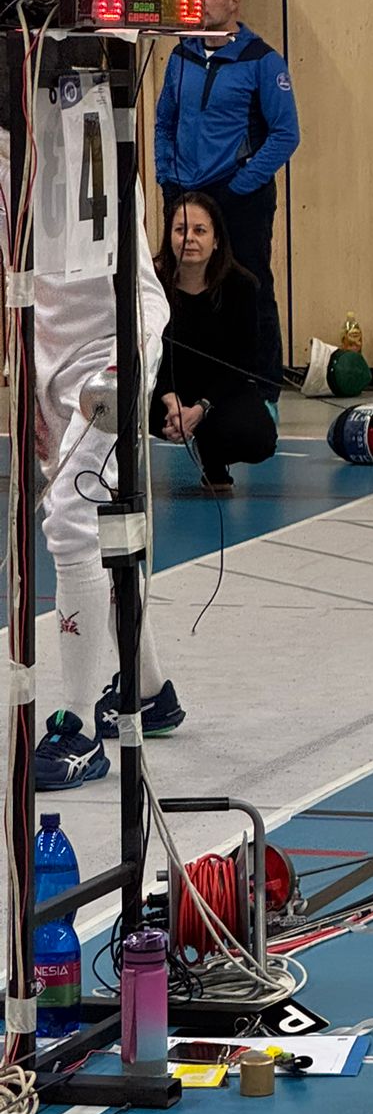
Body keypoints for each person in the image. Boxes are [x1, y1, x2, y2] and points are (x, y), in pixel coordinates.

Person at [2, 52, 185, 787]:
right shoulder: (10, 130)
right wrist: (21, 374)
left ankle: (77, 728)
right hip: (47, 344)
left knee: (73, 520)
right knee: (105, 525)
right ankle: (150, 690)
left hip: (117, 336)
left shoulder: (90, 84)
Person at [154, 0, 298, 399]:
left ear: (234, 1)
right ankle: (185, 383)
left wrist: (241, 184)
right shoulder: (181, 56)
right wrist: (167, 177)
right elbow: (164, 123)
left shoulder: (262, 60)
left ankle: (263, 389)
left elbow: (285, 134)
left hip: (239, 196)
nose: (200, 2)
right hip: (185, 192)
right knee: (179, 286)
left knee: (251, 285)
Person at [151, 191, 280, 494]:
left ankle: (213, 456)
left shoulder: (242, 287)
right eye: (180, 230)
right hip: (162, 392)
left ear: (217, 240)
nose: (189, 239)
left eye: (200, 230)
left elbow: (242, 363)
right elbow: (143, 353)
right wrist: (170, 400)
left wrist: (200, 408)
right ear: (169, 236)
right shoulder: (151, 285)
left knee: (258, 438)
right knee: (117, 408)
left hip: (220, 393)